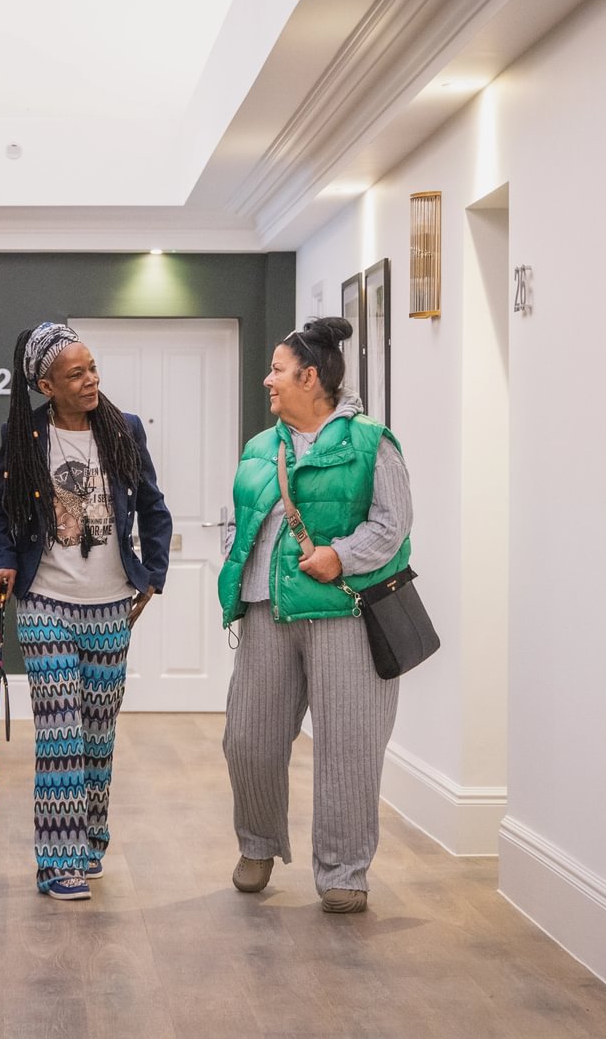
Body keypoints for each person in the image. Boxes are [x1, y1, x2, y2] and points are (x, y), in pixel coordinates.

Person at [218, 317, 414, 914]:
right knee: (247, 740)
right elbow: (237, 519)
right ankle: (257, 845)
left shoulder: (371, 443)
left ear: (310, 378)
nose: (267, 379)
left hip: (345, 615)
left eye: (277, 370)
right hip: (267, 612)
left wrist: (340, 557)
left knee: (349, 747)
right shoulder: (261, 447)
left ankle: (344, 872)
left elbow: (392, 525)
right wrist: (238, 559)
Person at [0, 322, 172, 901]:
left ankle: (90, 841)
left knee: (96, 732)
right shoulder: (24, 436)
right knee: (60, 731)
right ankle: (57, 862)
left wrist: (154, 575)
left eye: (92, 368)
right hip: (44, 600)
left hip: (111, 603)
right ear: (46, 386)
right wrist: (3, 560)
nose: (91, 380)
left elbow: (154, 506)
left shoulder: (124, 429)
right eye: (76, 374)